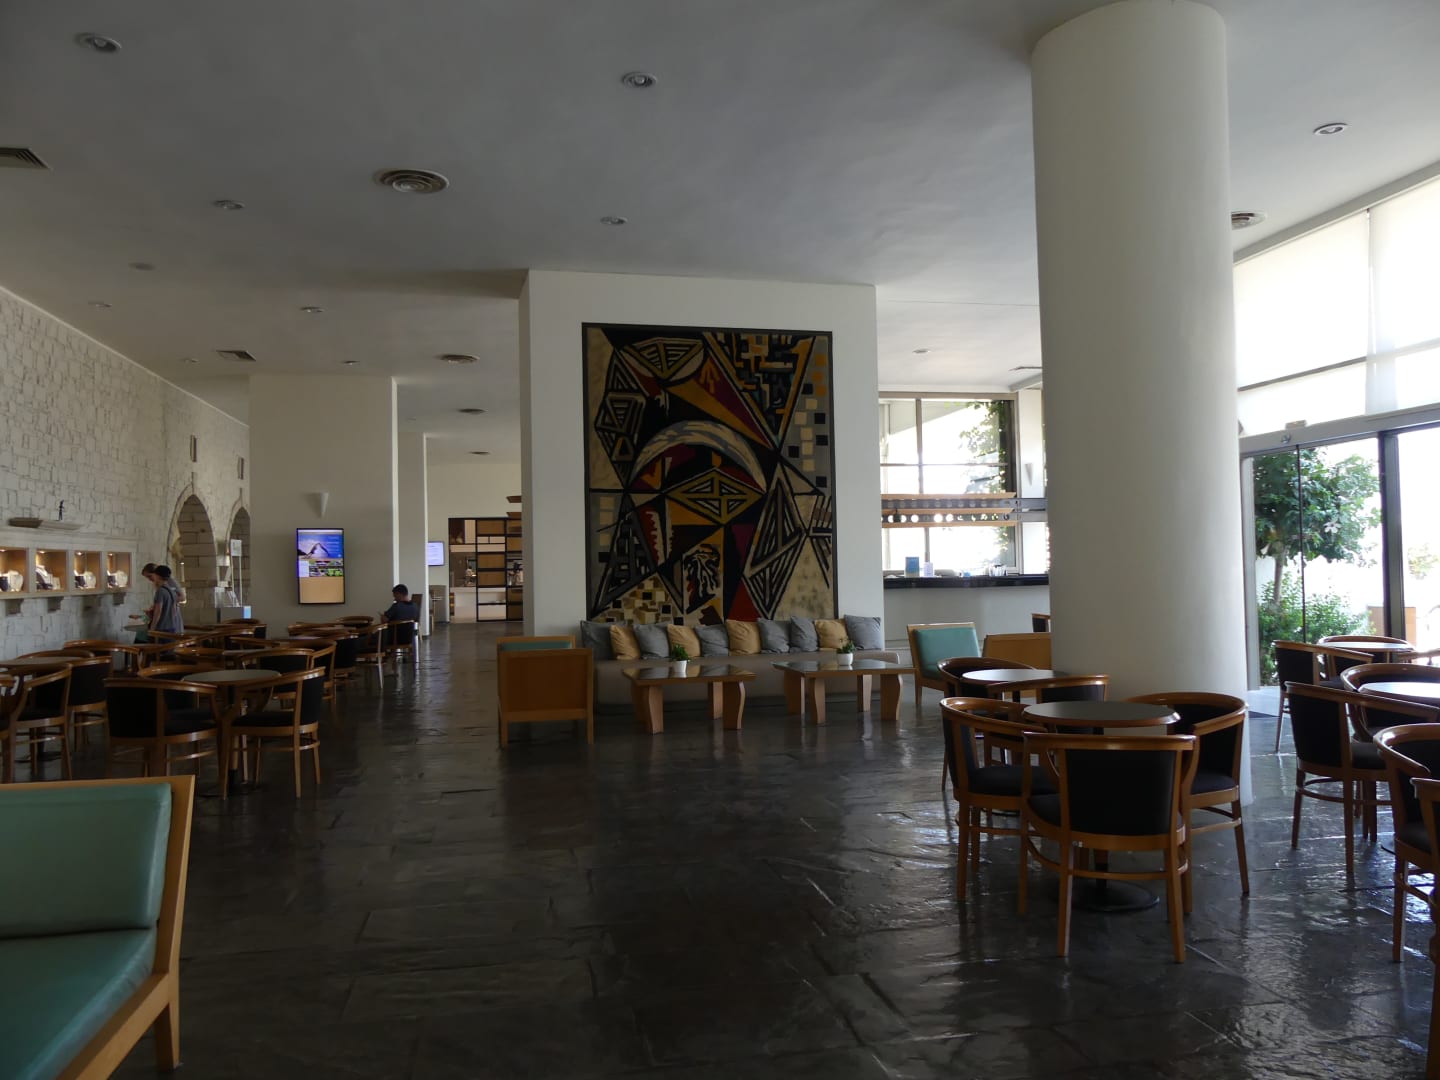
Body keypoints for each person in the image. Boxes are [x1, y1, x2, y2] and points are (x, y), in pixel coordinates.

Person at [150, 564, 185, 635]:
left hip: (162, 628)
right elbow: (174, 609)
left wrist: (152, 628)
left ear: (157, 576)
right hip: (171, 626)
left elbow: (158, 611)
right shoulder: (171, 590)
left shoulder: (160, 591)